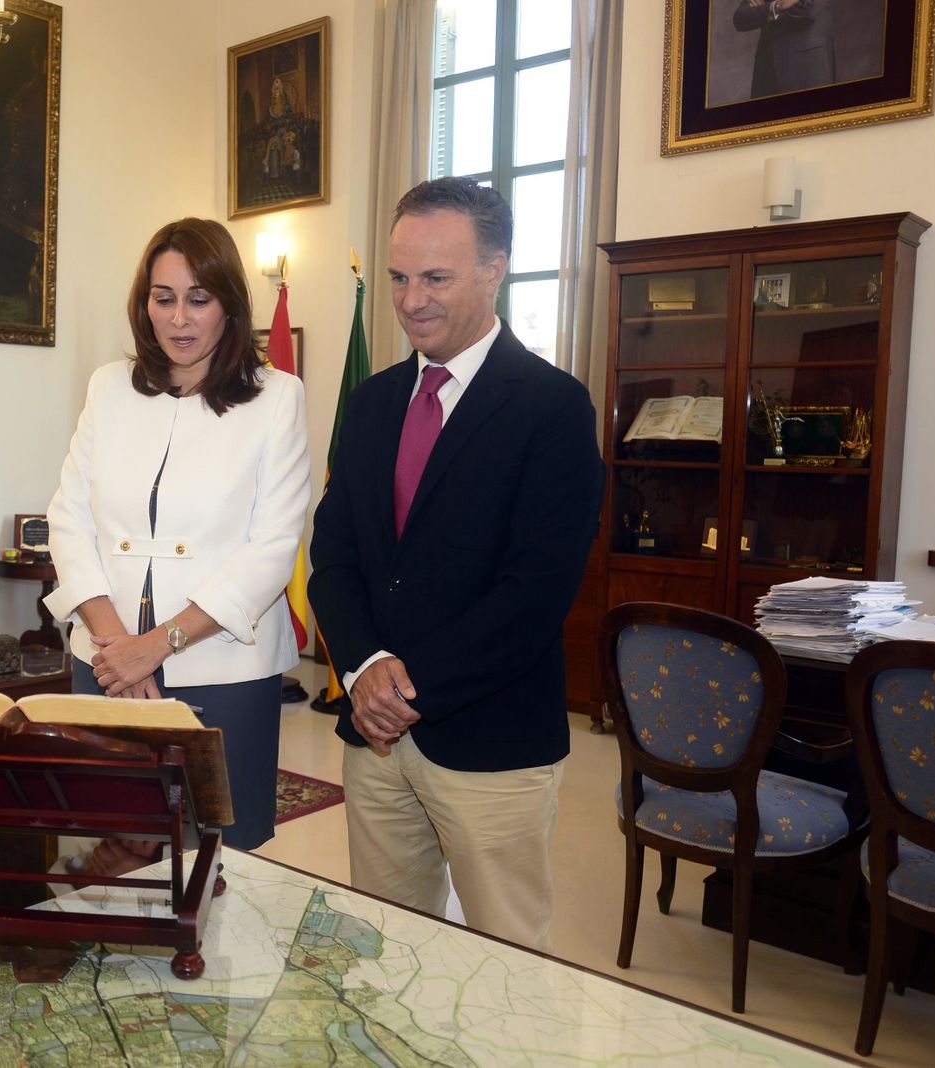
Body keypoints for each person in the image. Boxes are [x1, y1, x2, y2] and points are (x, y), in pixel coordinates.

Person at [307, 177, 602, 951]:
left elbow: (534, 594)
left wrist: (409, 687)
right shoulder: (371, 405)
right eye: (400, 277)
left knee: (506, 967)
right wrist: (364, 663)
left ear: (494, 269)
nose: (410, 300)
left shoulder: (553, 408)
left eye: (435, 278)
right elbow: (334, 553)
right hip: (374, 742)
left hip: (490, 741)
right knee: (385, 951)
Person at [43, 217, 310, 851]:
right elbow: (69, 518)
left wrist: (159, 644)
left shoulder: (277, 397)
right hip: (105, 664)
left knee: (220, 855)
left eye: (199, 299)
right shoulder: (109, 387)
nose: (180, 319)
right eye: (164, 298)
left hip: (224, 668)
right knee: (112, 848)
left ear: (229, 307)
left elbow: (272, 549)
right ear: (145, 305)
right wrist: (117, 646)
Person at [733, 0, 835, 98]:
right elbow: (740, 18)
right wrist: (776, 6)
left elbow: (809, 10)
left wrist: (765, 13)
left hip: (806, 68)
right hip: (767, 67)